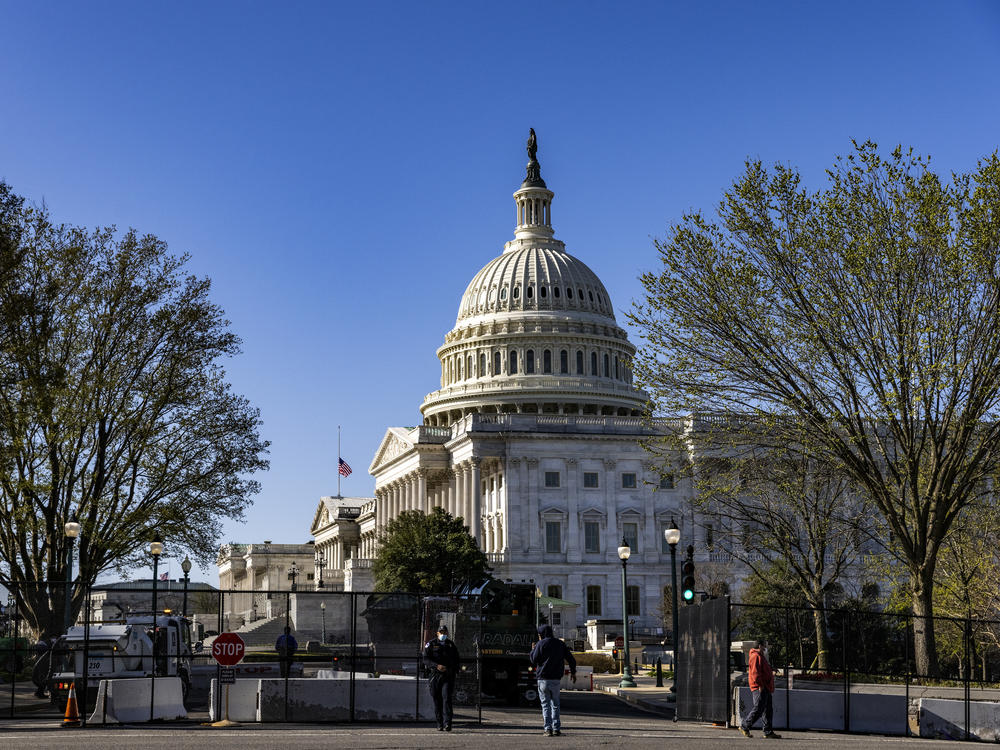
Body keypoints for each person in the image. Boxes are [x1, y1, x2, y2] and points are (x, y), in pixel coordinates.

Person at [530, 624, 576, 737]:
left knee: (545, 704)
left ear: (541, 634)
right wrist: (573, 672)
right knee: (555, 704)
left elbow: (533, 660)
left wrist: (533, 650)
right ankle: (556, 728)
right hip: (556, 679)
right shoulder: (560, 643)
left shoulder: (540, 644)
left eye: (539, 634)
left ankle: (548, 729)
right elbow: (571, 659)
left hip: (543, 679)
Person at [740, 639, 781, 739]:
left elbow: (763, 669)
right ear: (759, 646)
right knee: (759, 708)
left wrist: (772, 670)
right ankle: (745, 726)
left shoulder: (760, 656)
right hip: (760, 687)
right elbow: (755, 673)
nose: (765, 648)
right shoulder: (755, 656)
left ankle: (768, 731)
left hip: (765, 687)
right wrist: (760, 686)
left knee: (767, 709)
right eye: (764, 646)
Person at [422, 624, 460, 731]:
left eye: (444, 632)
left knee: (447, 698)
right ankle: (439, 723)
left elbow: (456, 659)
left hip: (447, 676)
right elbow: (426, 659)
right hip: (435, 676)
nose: (443, 634)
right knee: (437, 700)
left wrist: (454, 670)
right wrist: (436, 666)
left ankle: (448, 723)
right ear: (437, 633)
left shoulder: (451, 645)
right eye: (441, 632)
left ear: (447, 633)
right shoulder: (431, 644)